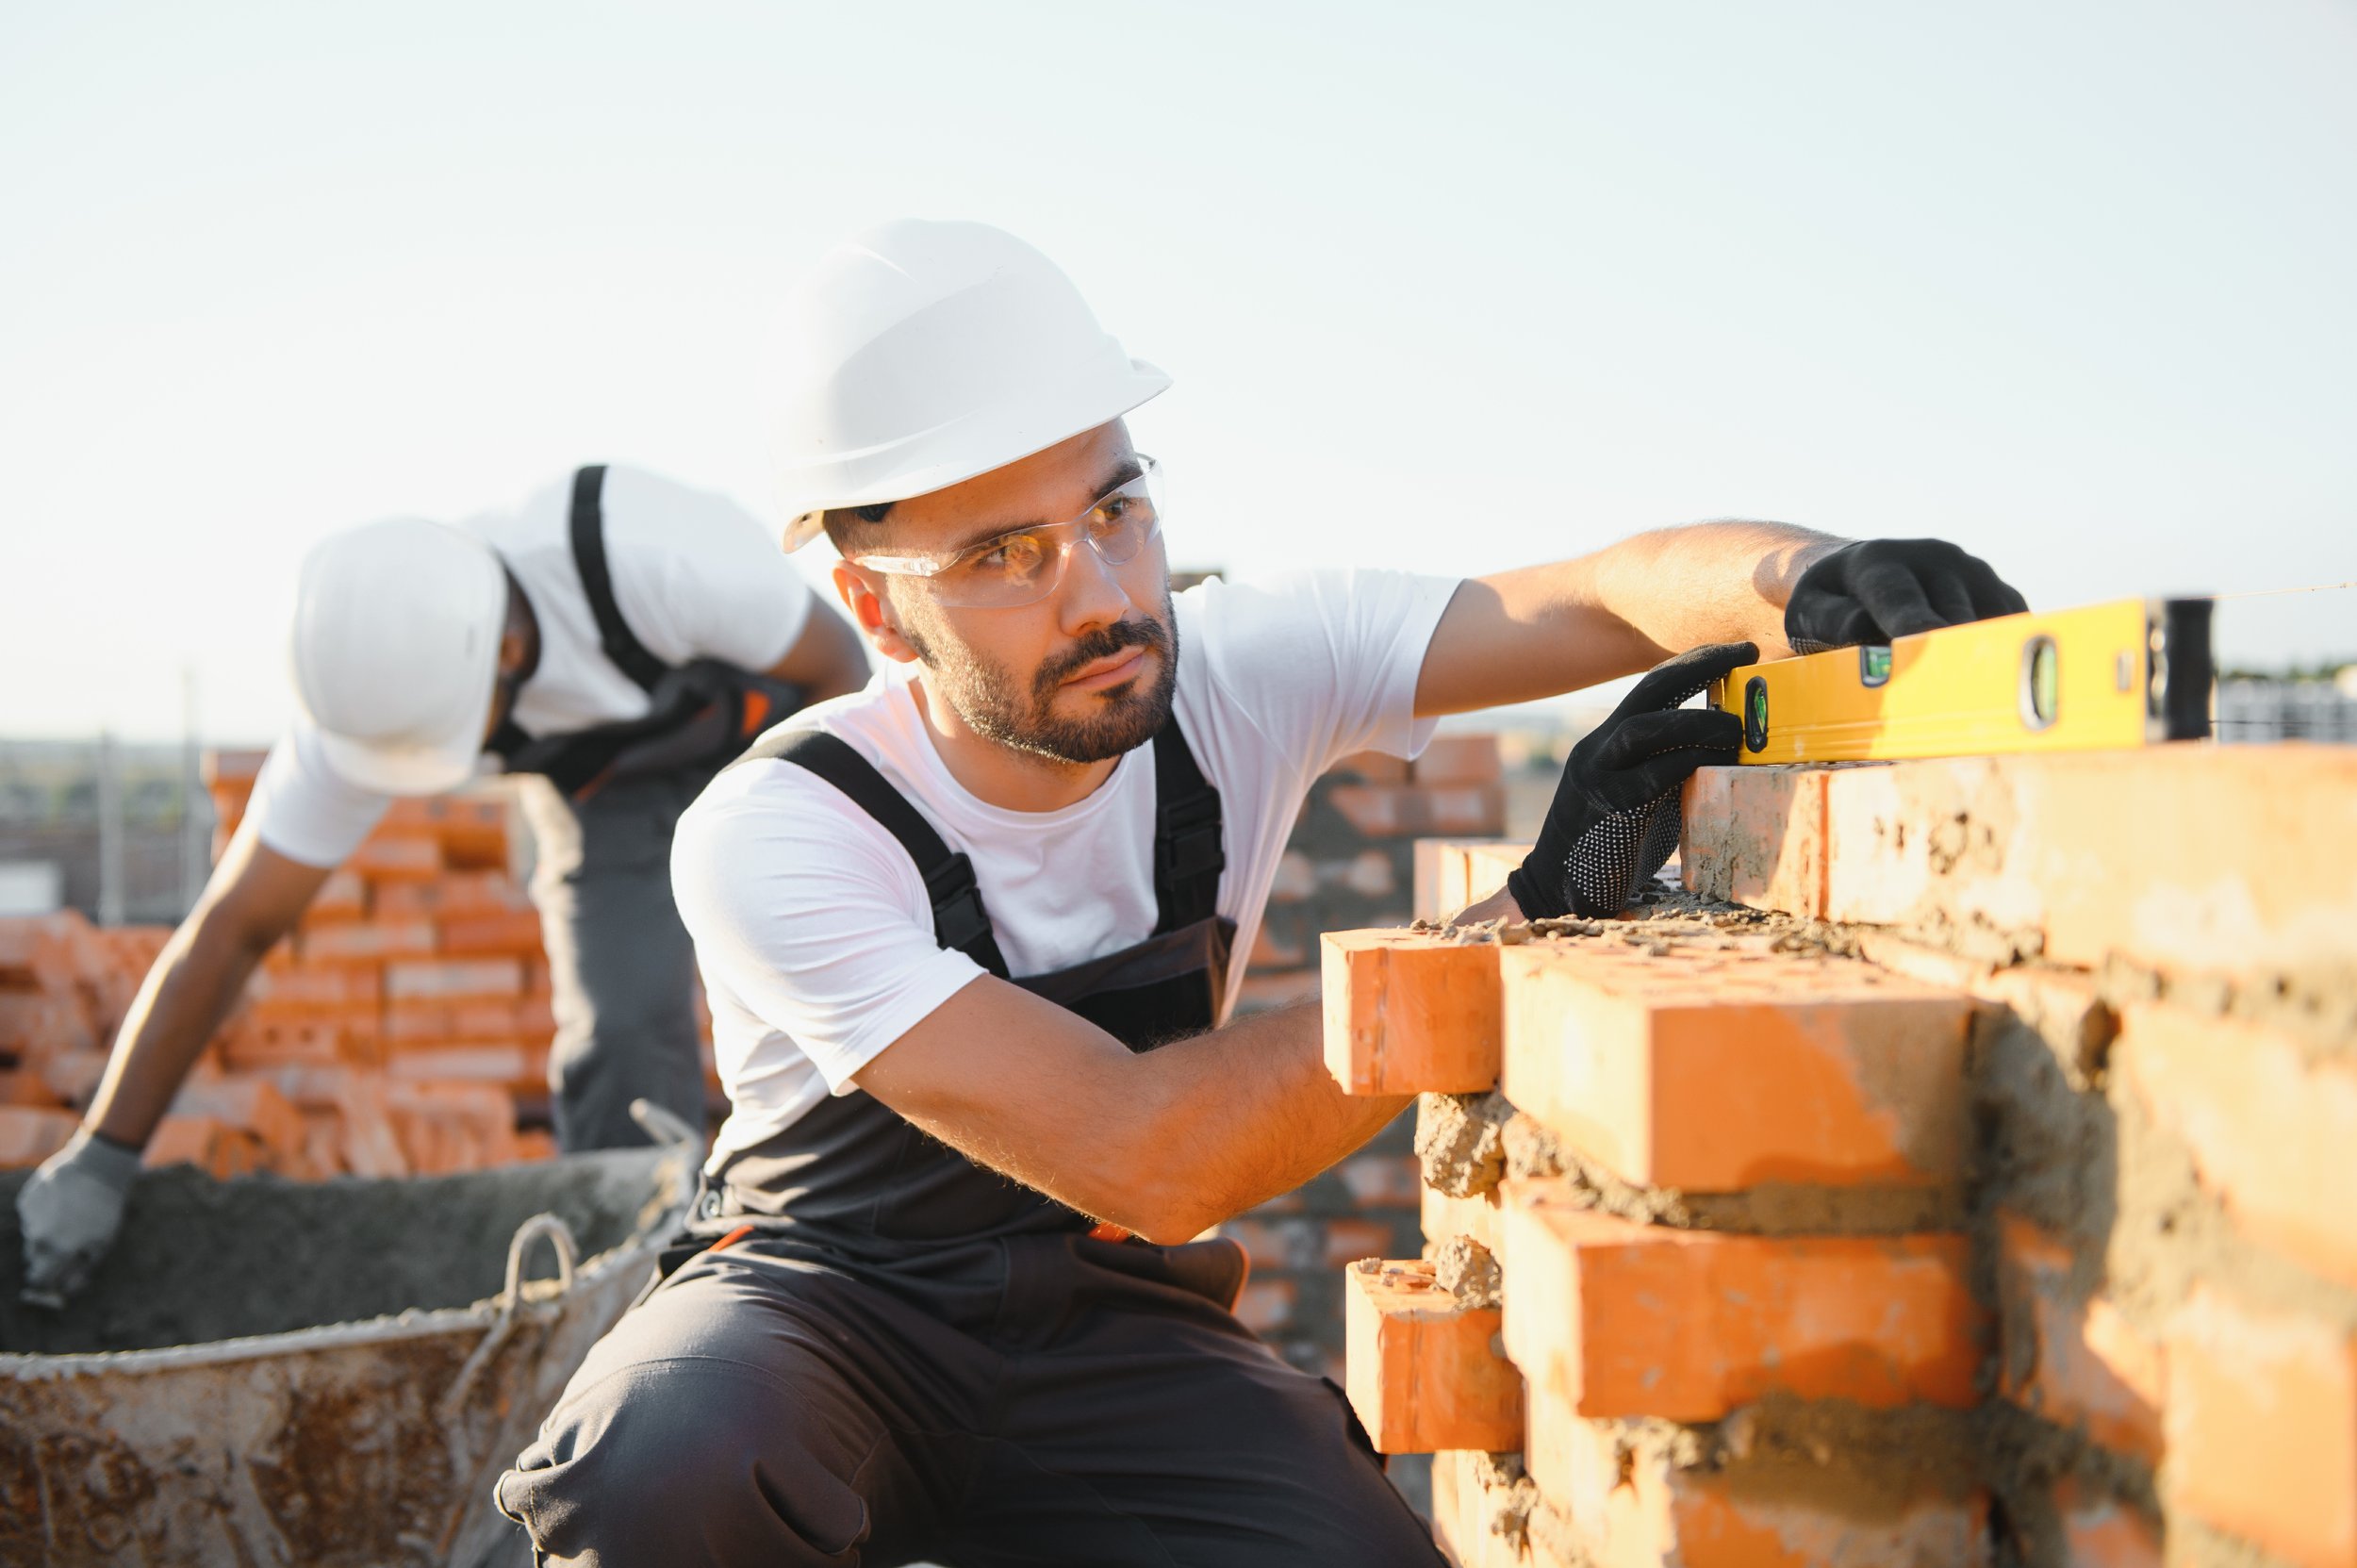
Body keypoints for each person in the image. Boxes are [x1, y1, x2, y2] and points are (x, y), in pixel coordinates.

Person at [495, 221, 2027, 1565]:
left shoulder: (1240, 671)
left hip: (1102, 1317)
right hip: (829, 1310)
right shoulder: (780, 828)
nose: (1101, 593)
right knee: (665, 1462)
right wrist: (1528, 913)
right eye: (1007, 553)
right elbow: (1147, 1153)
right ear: (876, 604)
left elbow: (1595, 590)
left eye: (1116, 508)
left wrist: (1808, 580)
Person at [16, 464, 869, 1309]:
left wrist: (787, 856)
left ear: (505, 650)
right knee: (620, 1034)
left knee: (811, 977)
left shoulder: (656, 560)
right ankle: (639, 1295)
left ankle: (859, 1216)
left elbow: (842, 669)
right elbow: (234, 925)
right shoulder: (375, 693)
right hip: (612, 794)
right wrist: (102, 1154)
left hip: (780, 734)